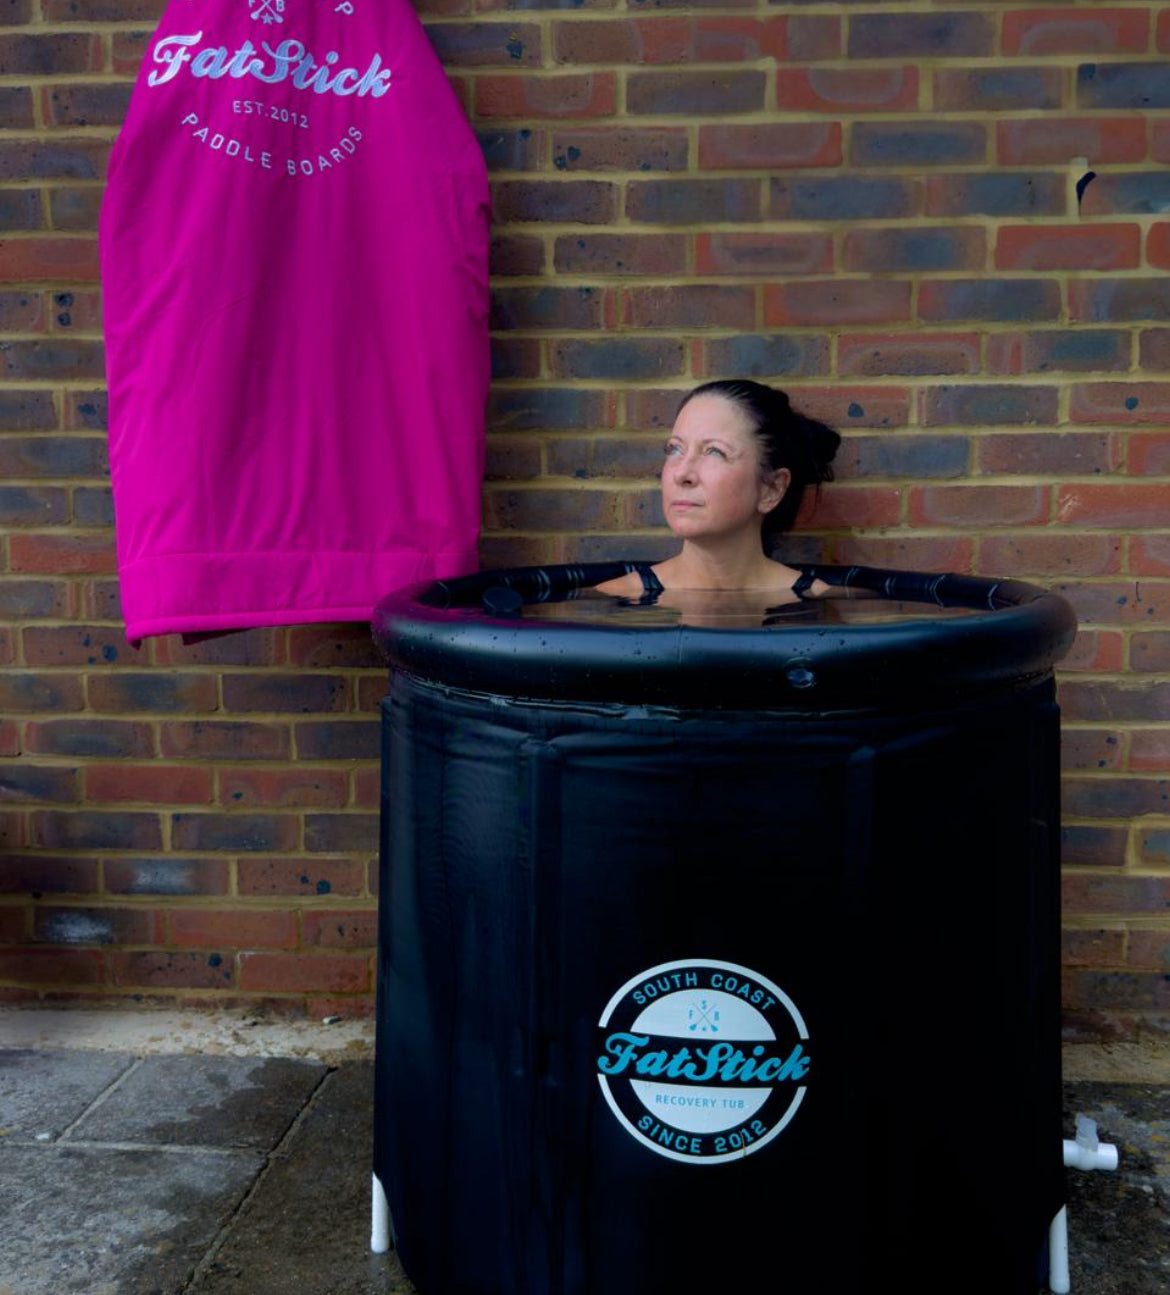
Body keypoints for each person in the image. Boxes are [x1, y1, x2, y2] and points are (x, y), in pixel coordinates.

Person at [594, 379, 841, 603]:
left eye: (714, 452)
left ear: (771, 489)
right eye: (675, 449)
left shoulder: (822, 606)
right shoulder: (615, 599)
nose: (682, 474)